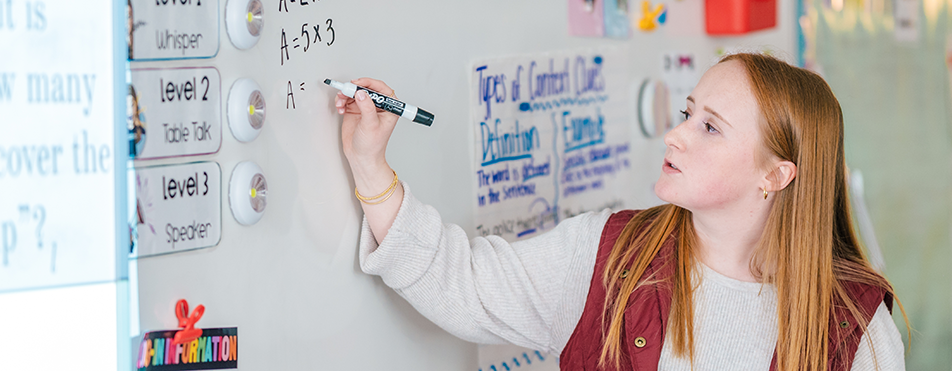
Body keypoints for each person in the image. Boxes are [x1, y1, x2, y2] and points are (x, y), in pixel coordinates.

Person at [336, 53, 907, 370]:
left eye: (709, 127)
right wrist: (369, 165)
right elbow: (461, 283)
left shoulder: (854, 327)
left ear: (775, 175)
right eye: (687, 113)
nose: (674, 135)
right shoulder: (609, 257)